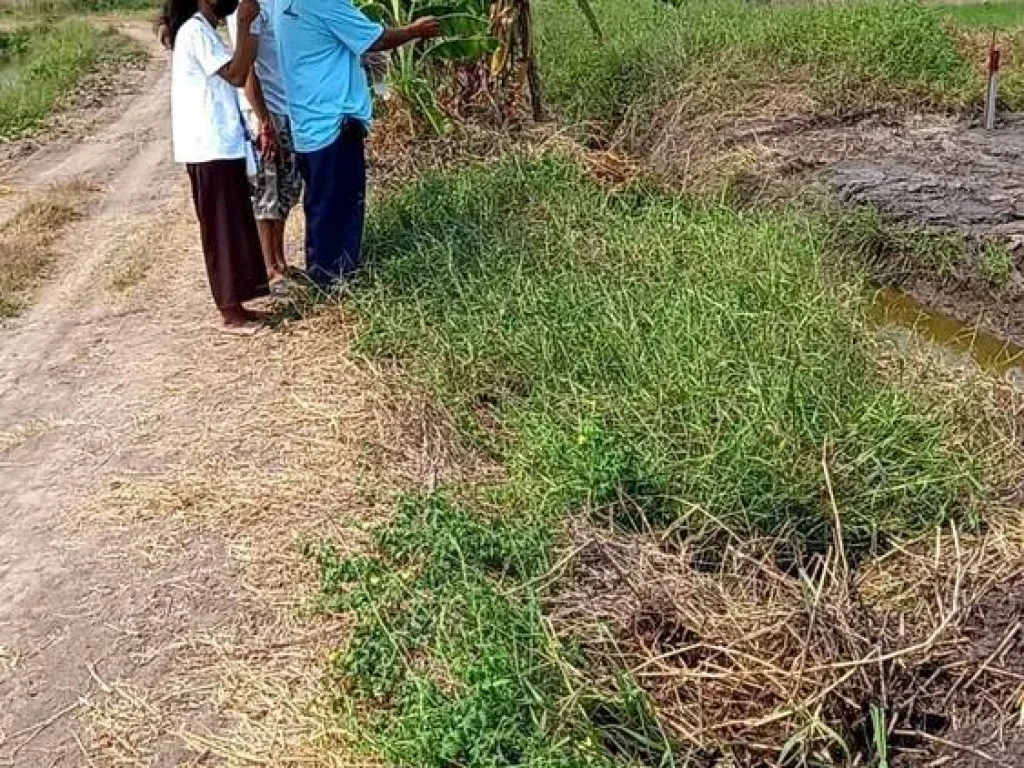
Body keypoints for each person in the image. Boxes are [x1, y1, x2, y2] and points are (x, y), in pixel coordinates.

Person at [274, 0, 441, 289]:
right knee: (341, 204)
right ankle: (335, 277)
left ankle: (322, 272)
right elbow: (375, 39)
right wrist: (415, 31)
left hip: (307, 119)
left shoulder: (282, 2)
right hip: (333, 121)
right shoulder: (322, 3)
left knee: (320, 203)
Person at [160, 0, 269, 334]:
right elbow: (237, 75)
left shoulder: (201, 29)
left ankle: (238, 303)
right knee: (221, 229)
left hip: (220, 145)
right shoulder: (195, 30)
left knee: (233, 225)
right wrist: (246, 25)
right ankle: (229, 312)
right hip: (208, 147)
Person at [227, 0, 301, 296]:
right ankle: (268, 266)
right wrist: (263, 120)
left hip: (286, 107)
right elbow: (248, 70)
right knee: (267, 191)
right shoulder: (248, 9)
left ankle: (279, 261)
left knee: (285, 188)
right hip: (266, 110)